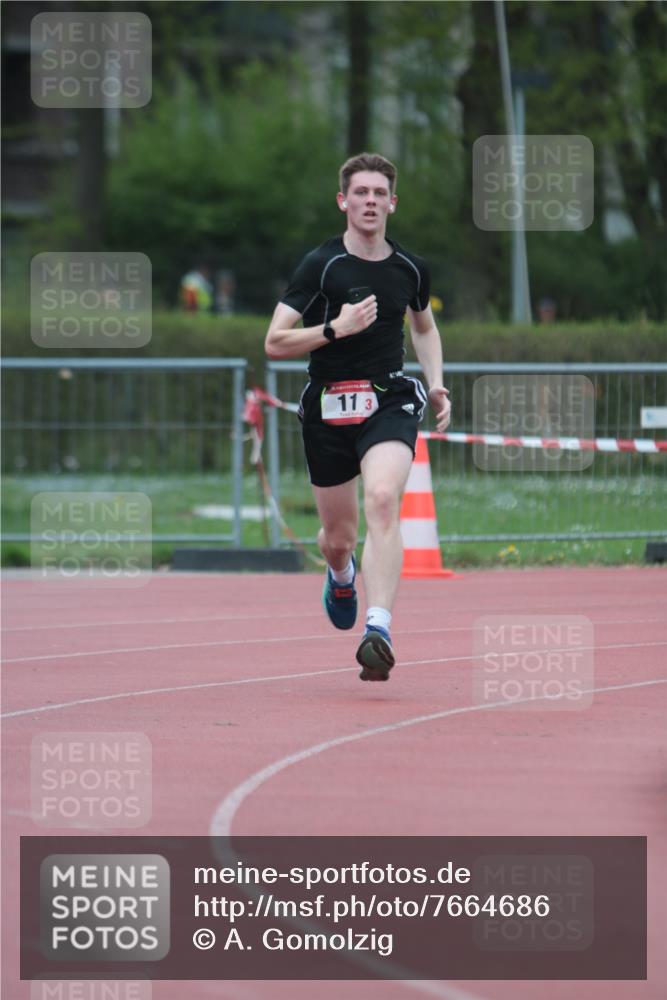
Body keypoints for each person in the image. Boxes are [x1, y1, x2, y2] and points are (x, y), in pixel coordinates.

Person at [265, 152, 451, 682]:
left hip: (389, 398)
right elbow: (274, 341)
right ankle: (341, 574)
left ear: (392, 202)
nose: (370, 201)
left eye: (379, 193)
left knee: (384, 499)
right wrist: (334, 330)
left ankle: (379, 628)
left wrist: (434, 380)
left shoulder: (410, 268)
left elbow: (424, 327)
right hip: (327, 406)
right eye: (361, 192)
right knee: (339, 536)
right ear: (343, 201)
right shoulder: (320, 265)